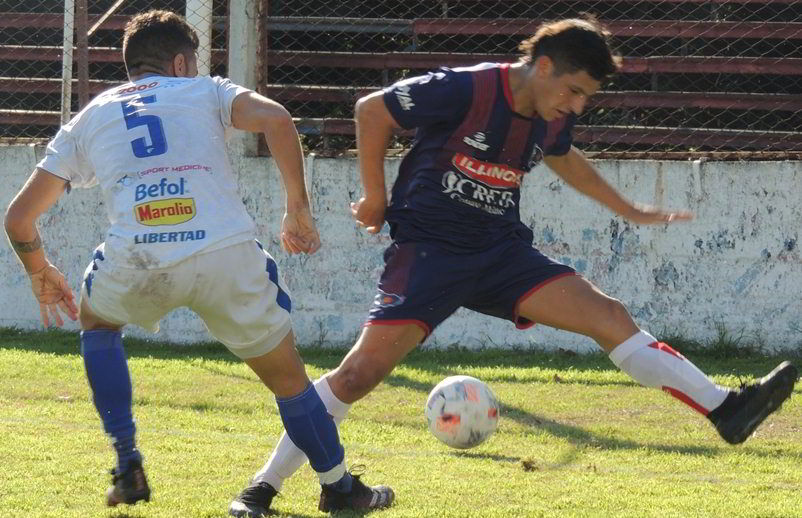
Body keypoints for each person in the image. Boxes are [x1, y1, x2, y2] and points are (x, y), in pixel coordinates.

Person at [223, 15, 799, 515]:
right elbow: (372, 110)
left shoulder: (552, 112)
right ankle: (264, 487)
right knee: (357, 376)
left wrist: (627, 208)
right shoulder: (468, 88)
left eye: (584, 98)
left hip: (501, 253)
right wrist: (374, 196)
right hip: (430, 252)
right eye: (572, 91)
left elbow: (563, 156)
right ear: (542, 65)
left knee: (608, 314)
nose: (574, 106)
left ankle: (726, 409)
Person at [3, 10, 394, 515]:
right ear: (182, 61)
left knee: (98, 323)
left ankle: (127, 462)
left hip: (138, 258)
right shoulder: (205, 90)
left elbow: (18, 219)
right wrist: (296, 206)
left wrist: (41, 273)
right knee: (290, 382)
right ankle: (340, 487)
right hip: (224, 254)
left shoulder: (92, 115)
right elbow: (276, 117)